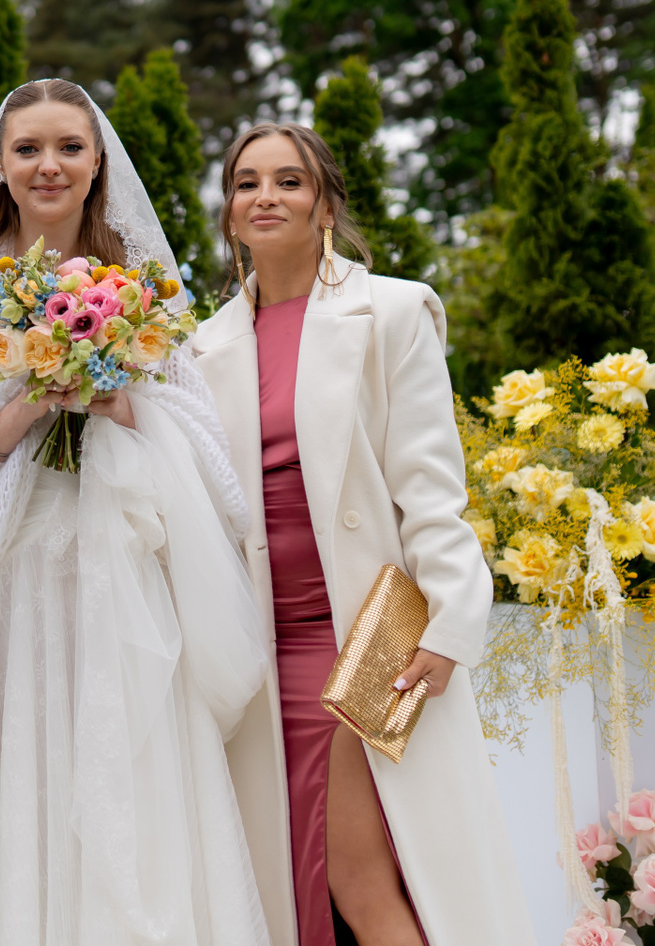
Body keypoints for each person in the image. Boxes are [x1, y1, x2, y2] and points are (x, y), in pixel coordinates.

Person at [0, 79, 271, 946]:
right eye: (28, 149)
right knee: (21, 795)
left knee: (131, 791)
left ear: (98, 162)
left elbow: (205, 447)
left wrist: (119, 404)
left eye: (68, 147)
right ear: (1, 165)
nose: (48, 165)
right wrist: (16, 413)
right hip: (15, 588)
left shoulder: (143, 284)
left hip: (123, 579)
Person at [193, 123, 532, 946]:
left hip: (373, 639)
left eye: (289, 181)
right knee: (289, 891)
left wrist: (448, 625)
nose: (266, 196)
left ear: (326, 207)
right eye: (246, 183)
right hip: (258, 658)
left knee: (363, 880)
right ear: (230, 214)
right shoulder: (201, 349)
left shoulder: (393, 312)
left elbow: (431, 489)